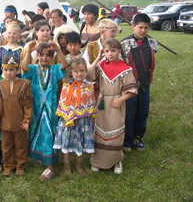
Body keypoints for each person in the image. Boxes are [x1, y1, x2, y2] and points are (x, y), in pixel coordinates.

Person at [88, 38, 137, 174]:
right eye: (107, 51)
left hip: (116, 103)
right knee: (100, 128)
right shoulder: (101, 65)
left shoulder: (125, 69)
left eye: (113, 51)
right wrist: (98, 58)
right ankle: (98, 160)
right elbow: (89, 75)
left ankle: (116, 160)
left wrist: (121, 99)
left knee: (115, 129)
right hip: (102, 102)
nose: (110, 54)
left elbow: (132, 90)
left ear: (119, 51)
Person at [22, 41, 68, 180]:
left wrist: (59, 51)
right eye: (41, 55)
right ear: (37, 56)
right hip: (36, 109)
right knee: (37, 133)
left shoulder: (54, 69)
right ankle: (42, 158)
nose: (44, 58)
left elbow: (65, 66)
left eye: (48, 55)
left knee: (49, 134)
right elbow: (24, 68)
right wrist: (28, 52)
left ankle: (50, 167)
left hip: (50, 109)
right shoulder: (33, 69)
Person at [121, 13, 158, 153]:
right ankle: (127, 140)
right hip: (130, 86)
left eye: (146, 28)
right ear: (133, 26)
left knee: (143, 112)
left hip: (144, 84)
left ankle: (138, 138)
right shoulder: (124, 44)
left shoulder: (152, 43)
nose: (143, 31)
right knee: (129, 113)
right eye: (140, 27)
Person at [54, 57, 97, 176]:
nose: (79, 74)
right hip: (68, 121)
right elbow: (63, 102)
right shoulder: (66, 85)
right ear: (71, 72)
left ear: (86, 71)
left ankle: (79, 165)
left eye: (82, 71)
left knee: (81, 144)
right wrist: (67, 116)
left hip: (83, 122)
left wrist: (91, 119)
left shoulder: (89, 87)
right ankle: (66, 165)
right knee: (66, 143)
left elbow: (91, 105)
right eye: (76, 71)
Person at [0, 56, 32, 177]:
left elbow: (27, 105)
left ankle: (20, 165)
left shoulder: (24, 85)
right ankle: (8, 165)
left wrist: (26, 120)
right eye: (6, 70)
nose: (9, 73)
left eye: (12, 70)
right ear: (2, 69)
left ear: (17, 69)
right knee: (6, 146)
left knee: (21, 146)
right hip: (5, 124)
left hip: (19, 124)